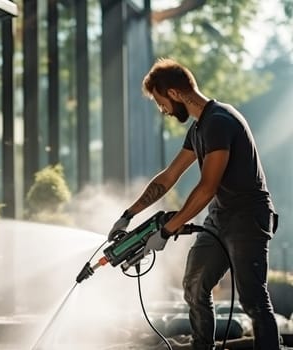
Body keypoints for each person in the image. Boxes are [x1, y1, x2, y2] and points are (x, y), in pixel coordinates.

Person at [108, 58, 281, 350]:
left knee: (252, 297)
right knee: (194, 285)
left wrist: (166, 231)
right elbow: (169, 176)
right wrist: (128, 215)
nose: (162, 110)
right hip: (220, 216)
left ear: (174, 94)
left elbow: (207, 187)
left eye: (160, 102)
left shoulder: (219, 121)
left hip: (249, 216)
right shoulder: (199, 129)